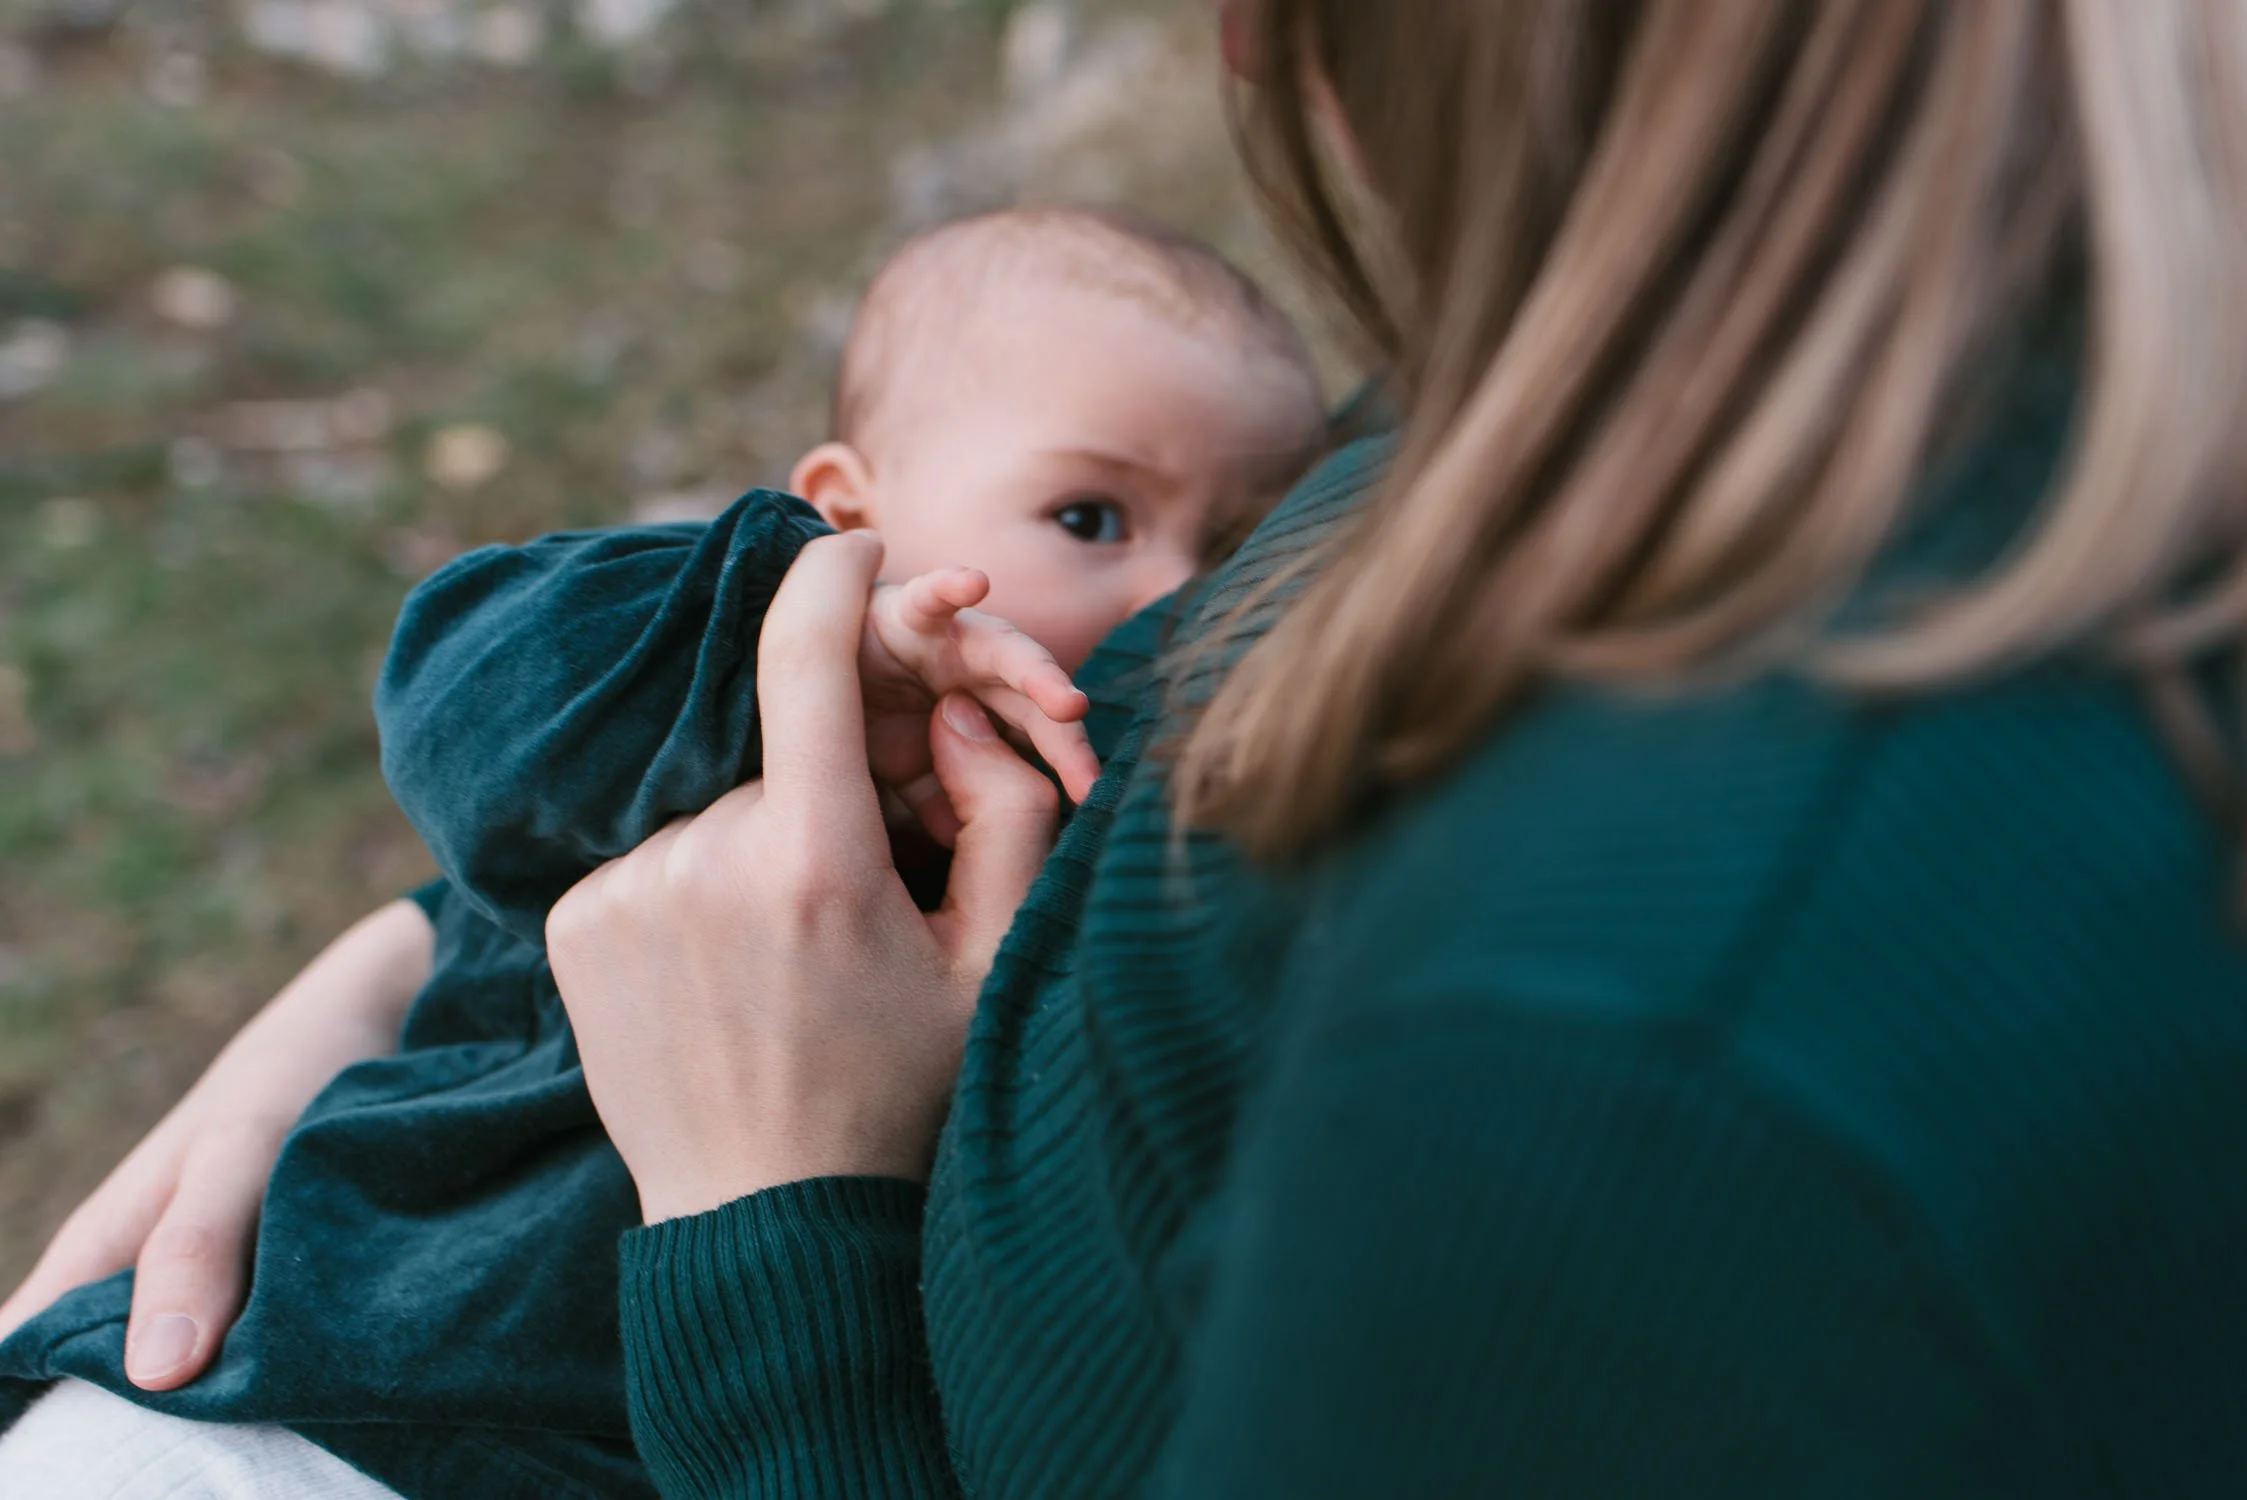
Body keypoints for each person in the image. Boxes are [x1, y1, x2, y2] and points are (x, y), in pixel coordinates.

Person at [15, 0, 2247, 1495]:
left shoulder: (1642, 1040)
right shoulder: (1550, 433)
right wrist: (396, 974)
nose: (1160, 592)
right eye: (1091, 520)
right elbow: (501, 694)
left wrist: (772, 1212)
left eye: (1209, 536)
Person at [0, 207, 1325, 1496]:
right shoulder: (714, 697)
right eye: (1091, 518)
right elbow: (462, 702)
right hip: (332, 1403)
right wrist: (789, 630)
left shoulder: (1131, 858)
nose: (1173, 596)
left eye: (1233, 550)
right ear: (848, 509)